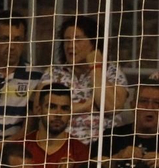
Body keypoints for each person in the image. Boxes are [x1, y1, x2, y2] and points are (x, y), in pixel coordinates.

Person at [38, 15, 128, 144]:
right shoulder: (54, 73)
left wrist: (95, 68)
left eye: (77, 40)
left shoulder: (111, 71)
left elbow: (111, 107)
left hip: (104, 146)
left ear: (93, 43)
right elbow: (40, 110)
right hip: (61, 145)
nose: (70, 46)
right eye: (67, 40)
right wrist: (86, 106)